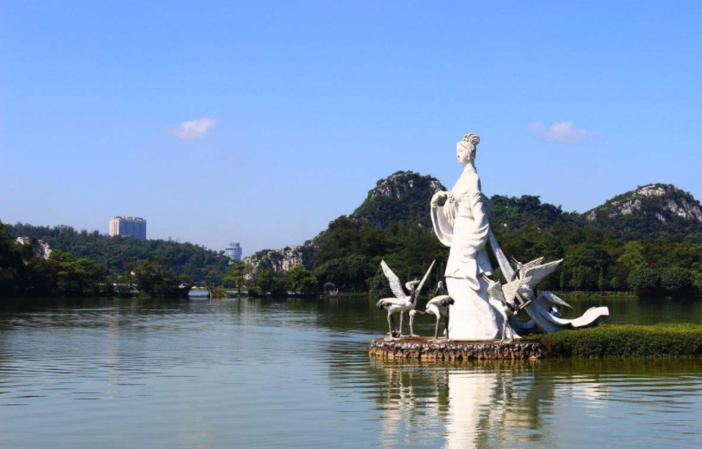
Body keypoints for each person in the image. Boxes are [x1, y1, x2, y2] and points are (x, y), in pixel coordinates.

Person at [430, 134, 506, 340]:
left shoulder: (472, 178)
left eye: (460, 151)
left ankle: (487, 327)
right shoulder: (462, 178)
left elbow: (478, 210)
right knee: (453, 277)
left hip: (468, 232)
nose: (457, 155)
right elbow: (451, 210)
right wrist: (436, 203)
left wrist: (476, 239)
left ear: (469, 153)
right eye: (456, 151)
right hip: (459, 230)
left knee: (467, 277)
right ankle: (461, 327)